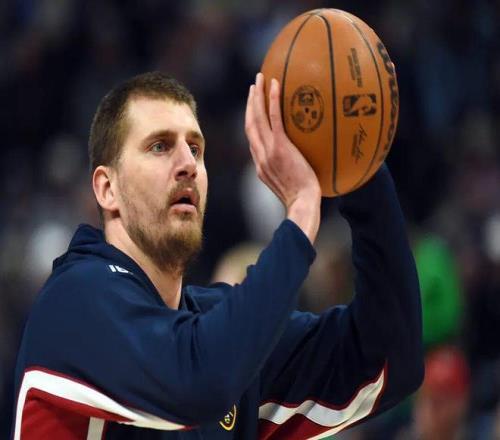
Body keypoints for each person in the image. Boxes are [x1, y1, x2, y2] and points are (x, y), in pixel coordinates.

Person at [12, 71, 423, 439]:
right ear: (107, 189)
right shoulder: (74, 301)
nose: (187, 164)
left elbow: (389, 362)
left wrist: (359, 165)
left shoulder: (217, 333)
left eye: (195, 148)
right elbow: (198, 383)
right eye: (159, 146)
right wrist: (300, 215)